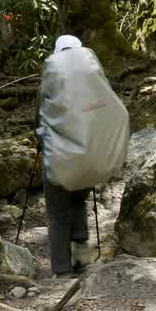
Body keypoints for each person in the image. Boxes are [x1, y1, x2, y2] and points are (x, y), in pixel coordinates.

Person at [34, 35, 130, 276]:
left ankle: (62, 271)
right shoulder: (96, 86)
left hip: (58, 160)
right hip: (87, 159)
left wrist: (42, 143)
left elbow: (38, 121)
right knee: (78, 204)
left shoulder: (48, 85)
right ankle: (82, 264)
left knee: (57, 214)